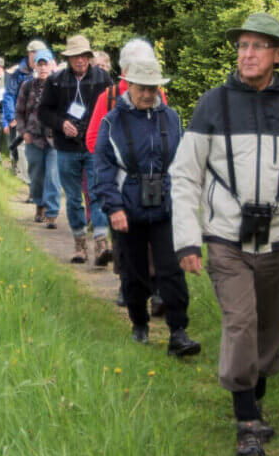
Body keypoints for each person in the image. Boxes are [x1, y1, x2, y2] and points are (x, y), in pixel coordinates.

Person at [169, 12, 279, 456]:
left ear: (278, 55)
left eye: (257, 46)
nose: (247, 54)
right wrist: (187, 240)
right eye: (242, 45)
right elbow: (184, 176)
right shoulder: (212, 104)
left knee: (269, 332)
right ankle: (246, 424)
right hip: (226, 239)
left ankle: (253, 399)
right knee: (240, 323)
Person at [94, 58, 200, 357]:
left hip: (166, 207)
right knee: (134, 273)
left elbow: (183, 163)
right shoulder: (111, 122)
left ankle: (179, 332)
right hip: (127, 210)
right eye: (143, 88)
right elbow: (102, 169)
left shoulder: (172, 118)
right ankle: (139, 324)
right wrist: (113, 208)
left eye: (154, 88)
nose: (148, 94)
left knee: (172, 270)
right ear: (129, 86)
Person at [86, 38, 168, 312]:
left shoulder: (158, 95)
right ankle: (130, 286)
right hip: (121, 179)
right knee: (124, 232)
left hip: (152, 177)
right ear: (126, 69)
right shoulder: (108, 97)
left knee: (153, 231)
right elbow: (93, 138)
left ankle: (155, 291)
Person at [39, 34, 112, 266]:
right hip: (66, 148)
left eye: (84, 56)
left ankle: (101, 243)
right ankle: (80, 244)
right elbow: (43, 112)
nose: (80, 60)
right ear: (68, 59)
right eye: (75, 57)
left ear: (89, 57)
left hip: (95, 146)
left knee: (98, 192)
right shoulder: (56, 81)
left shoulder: (103, 79)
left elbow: (113, 109)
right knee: (73, 198)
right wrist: (61, 124)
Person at [15, 48, 61, 228]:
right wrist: (23, 132)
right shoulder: (27, 86)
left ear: (52, 65)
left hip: (54, 139)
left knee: (53, 176)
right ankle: (39, 205)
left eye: (46, 64)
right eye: (40, 64)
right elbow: (19, 112)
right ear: (35, 66)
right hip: (32, 138)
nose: (43, 68)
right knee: (36, 177)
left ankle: (52, 213)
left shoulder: (59, 86)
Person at [7, 40, 47, 184]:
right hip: (22, 116)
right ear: (30, 53)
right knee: (23, 146)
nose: (38, 55)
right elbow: (10, 95)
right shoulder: (19, 73)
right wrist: (11, 116)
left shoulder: (49, 70)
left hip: (44, 118)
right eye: (35, 52)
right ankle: (28, 180)